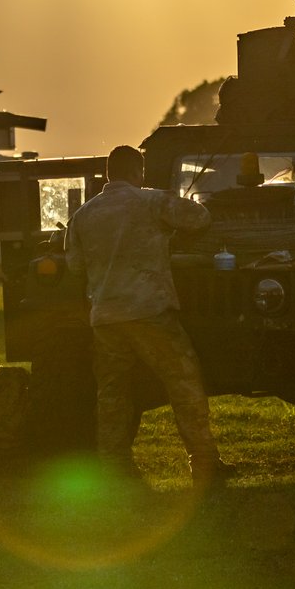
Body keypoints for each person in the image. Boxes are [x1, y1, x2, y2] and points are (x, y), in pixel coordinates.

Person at [66, 145, 229, 487]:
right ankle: (204, 464)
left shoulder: (83, 215)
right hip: (149, 312)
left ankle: (114, 470)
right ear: (138, 172)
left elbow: (75, 266)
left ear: (110, 173)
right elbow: (201, 218)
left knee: (112, 395)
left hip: (105, 318)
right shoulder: (152, 201)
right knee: (184, 383)